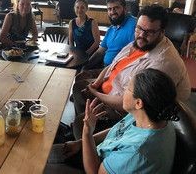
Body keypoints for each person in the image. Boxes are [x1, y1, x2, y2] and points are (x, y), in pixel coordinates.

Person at [72, 5, 190, 137]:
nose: (141, 35)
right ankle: (85, 123)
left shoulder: (162, 64)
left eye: (149, 32)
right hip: (114, 86)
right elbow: (114, 65)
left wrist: (96, 93)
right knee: (79, 87)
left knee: (79, 123)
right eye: (139, 28)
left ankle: (85, 140)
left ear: (162, 32)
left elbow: (131, 104)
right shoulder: (142, 42)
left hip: (126, 109)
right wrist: (97, 83)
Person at [46, 69, 179, 174]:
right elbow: (118, 130)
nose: (123, 92)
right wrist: (81, 143)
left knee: (40, 164)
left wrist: (87, 131)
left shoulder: (137, 153)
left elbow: (93, 171)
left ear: (138, 103)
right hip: (103, 156)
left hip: (94, 167)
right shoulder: (150, 115)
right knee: (47, 154)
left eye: (127, 88)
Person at [82, 0, 137, 70]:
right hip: (104, 68)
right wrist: (85, 67)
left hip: (119, 71)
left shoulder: (134, 25)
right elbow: (100, 52)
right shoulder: (111, 29)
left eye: (116, 8)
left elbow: (136, 55)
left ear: (125, 9)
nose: (112, 12)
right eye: (109, 9)